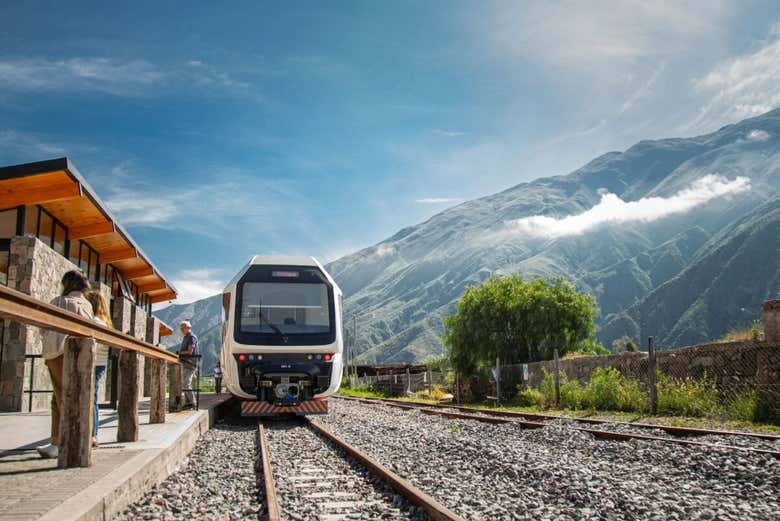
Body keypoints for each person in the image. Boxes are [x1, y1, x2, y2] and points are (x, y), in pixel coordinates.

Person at [38, 271, 95, 459]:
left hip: (58, 352)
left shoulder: (60, 301)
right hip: (81, 355)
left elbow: (44, 326)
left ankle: (62, 441)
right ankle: (71, 438)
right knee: (72, 396)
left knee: (60, 397)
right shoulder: (87, 305)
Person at [85, 290, 111, 448]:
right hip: (100, 363)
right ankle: (93, 433)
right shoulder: (104, 322)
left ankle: (92, 433)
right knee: (92, 397)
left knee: (90, 398)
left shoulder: (93, 321)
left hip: (91, 362)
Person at [178, 320, 199, 408]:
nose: (181, 330)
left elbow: (190, 351)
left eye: (183, 328)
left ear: (188, 328)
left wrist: (179, 353)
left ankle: (192, 402)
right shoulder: (186, 337)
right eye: (181, 328)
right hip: (186, 363)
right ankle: (188, 403)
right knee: (185, 383)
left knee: (186, 383)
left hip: (190, 364)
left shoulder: (191, 337)